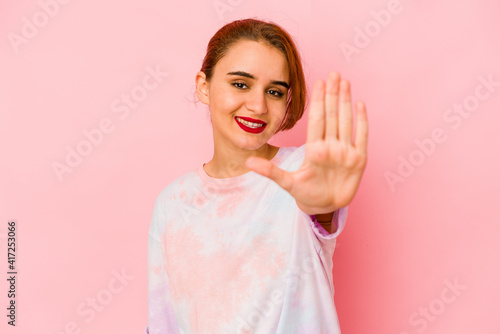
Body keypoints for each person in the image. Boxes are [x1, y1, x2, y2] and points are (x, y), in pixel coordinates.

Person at [146, 18, 368, 334]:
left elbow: (319, 205)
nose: (258, 105)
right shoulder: (173, 202)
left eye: (275, 92)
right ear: (203, 86)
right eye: (240, 84)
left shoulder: (303, 170)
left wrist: (323, 209)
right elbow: (163, 324)